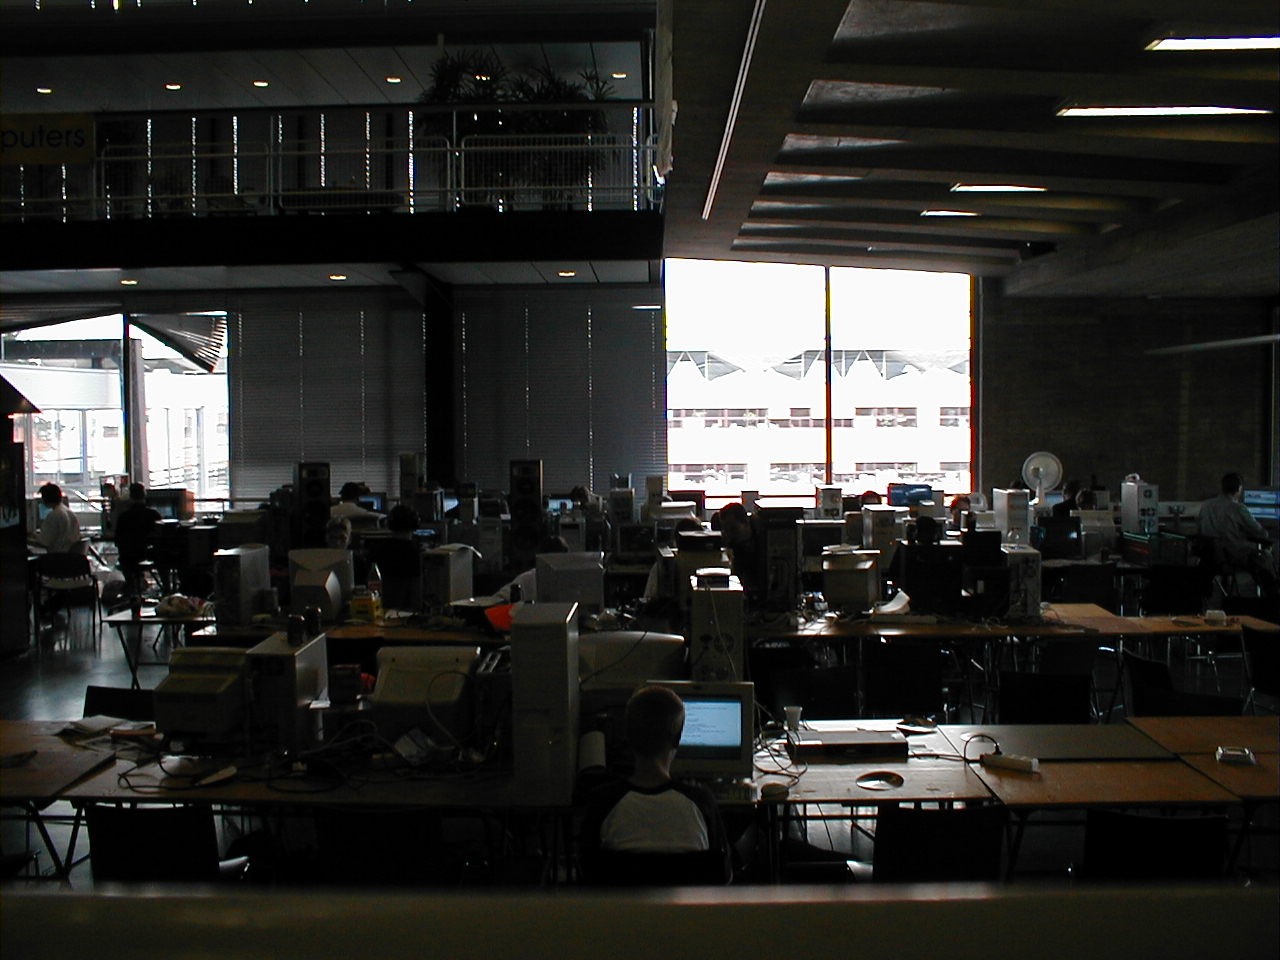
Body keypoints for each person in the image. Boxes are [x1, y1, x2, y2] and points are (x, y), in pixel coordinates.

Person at [579, 685, 731, 884]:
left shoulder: (603, 802)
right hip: (687, 906)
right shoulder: (701, 802)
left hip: (625, 905)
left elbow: (587, 874)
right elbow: (724, 875)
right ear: (677, 739)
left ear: (628, 736)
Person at [1197, 472, 1277, 594]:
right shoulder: (1237, 508)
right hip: (1231, 557)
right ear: (1239, 488)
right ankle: (1273, 595)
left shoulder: (1206, 505)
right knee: (1264, 556)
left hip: (1209, 559)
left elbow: (1200, 529)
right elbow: (1261, 533)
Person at [113, 483, 162, 595]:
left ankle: (132, 589)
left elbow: (117, 541)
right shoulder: (153, 515)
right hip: (147, 556)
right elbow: (160, 539)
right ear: (144, 495)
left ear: (130, 497)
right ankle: (165, 590)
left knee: (127, 563)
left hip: (128, 558)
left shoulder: (123, 517)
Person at [30, 482, 83, 554]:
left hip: (57, 557)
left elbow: (44, 543)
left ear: (45, 498)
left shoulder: (53, 515)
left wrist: (26, 540)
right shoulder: (69, 512)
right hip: (68, 556)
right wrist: (35, 536)